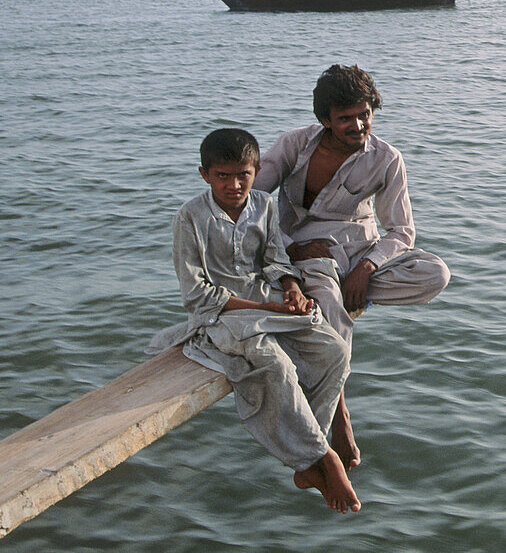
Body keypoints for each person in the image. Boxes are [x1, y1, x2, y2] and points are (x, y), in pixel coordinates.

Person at [149, 128, 360, 513]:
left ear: (257, 170)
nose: (234, 185)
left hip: (268, 298)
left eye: (243, 175)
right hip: (223, 314)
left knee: (334, 350)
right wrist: (270, 310)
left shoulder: (263, 205)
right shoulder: (190, 217)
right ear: (205, 175)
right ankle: (322, 456)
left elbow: (275, 259)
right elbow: (196, 293)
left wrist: (292, 288)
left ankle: (307, 455)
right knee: (274, 365)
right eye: (222, 176)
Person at [254, 64, 449, 471]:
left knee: (435, 274)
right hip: (309, 255)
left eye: (365, 114)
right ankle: (328, 432)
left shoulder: (386, 158)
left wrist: (367, 267)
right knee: (328, 312)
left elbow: (401, 230)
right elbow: (255, 202)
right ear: (325, 119)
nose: (358, 124)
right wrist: (292, 246)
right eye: (345, 118)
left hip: (360, 253)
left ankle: (340, 296)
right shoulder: (294, 146)